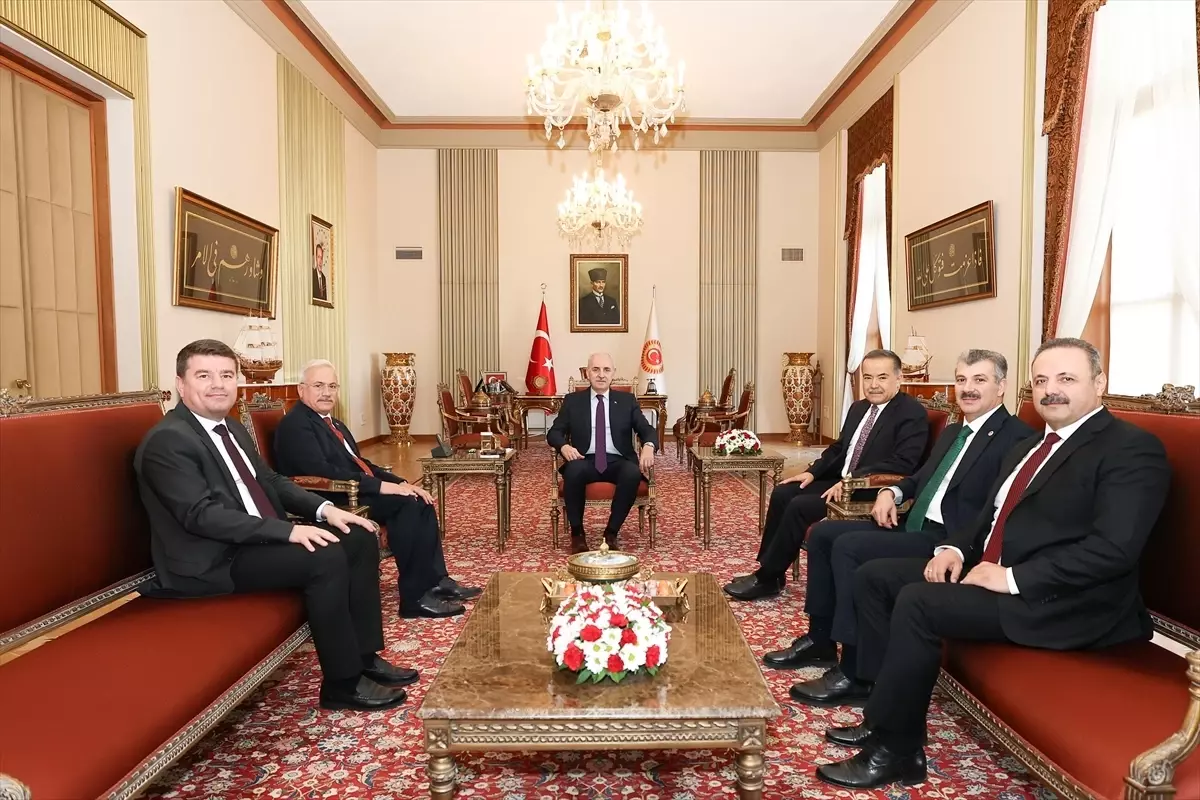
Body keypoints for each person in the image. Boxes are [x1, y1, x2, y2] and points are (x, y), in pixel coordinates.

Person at [815, 338, 1171, 789]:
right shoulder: (1033, 445)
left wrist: (1012, 577)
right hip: (995, 572)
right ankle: (879, 710)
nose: (1051, 390)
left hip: (1064, 601)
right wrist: (954, 550)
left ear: (1099, 383)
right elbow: (989, 518)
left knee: (919, 603)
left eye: (1066, 379)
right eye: (1041, 380)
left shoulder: (1130, 449)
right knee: (875, 577)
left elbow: (1114, 550)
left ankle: (897, 749)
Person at [135, 340, 416, 711]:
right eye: (204, 376)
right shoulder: (169, 440)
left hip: (250, 542)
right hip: (212, 560)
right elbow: (201, 515)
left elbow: (270, 480)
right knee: (324, 556)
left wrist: (325, 510)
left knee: (358, 536)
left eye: (226, 375)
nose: (218, 384)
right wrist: (289, 531)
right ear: (180, 384)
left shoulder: (229, 428)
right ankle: (342, 683)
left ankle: (364, 657)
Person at [779, 350, 1034, 707]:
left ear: (1001, 387)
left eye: (980, 380)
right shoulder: (956, 431)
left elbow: (998, 510)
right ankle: (820, 639)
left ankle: (858, 673)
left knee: (850, 550)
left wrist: (957, 548)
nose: (968, 389)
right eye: (961, 380)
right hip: (913, 523)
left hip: (947, 540)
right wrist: (892, 491)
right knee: (824, 535)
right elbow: (920, 477)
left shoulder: (1018, 439)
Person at [273, 360, 481, 619]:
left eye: (332, 386)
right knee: (406, 506)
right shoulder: (296, 425)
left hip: (353, 488)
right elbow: (322, 472)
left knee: (419, 499)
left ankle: (437, 581)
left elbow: (361, 464)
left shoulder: (333, 423)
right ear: (301, 389)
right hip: (330, 497)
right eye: (318, 386)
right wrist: (382, 487)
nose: (326, 392)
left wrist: (400, 483)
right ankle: (415, 599)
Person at [724, 349, 928, 601]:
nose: (873, 385)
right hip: (841, 481)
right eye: (867, 377)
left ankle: (766, 578)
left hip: (870, 489)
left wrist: (851, 481)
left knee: (800, 506)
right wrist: (811, 473)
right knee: (784, 492)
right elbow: (839, 449)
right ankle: (771, 572)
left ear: (899, 378)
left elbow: (903, 463)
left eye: (882, 377)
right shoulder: (858, 408)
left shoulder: (911, 413)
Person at [547, 352, 657, 553]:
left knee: (632, 473)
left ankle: (611, 533)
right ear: (587, 373)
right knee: (573, 472)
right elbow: (554, 432)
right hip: (584, 458)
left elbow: (646, 429)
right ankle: (577, 534)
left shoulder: (627, 401)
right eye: (595, 369)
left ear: (613, 373)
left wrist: (649, 445)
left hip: (617, 459)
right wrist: (564, 447)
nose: (601, 374)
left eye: (606, 370)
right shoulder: (573, 401)